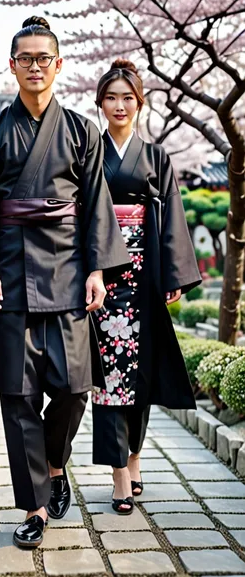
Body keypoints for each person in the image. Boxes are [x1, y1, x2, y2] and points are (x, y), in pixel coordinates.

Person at [0, 17, 130, 548]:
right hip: (9, 272)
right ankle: (33, 505)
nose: (34, 66)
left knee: (76, 389)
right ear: (12, 66)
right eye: (24, 59)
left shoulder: (82, 131)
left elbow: (97, 204)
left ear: (59, 64)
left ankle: (54, 462)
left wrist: (99, 269)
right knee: (18, 395)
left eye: (43, 58)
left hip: (71, 271)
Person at [91, 58, 201, 515]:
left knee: (140, 375)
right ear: (99, 103)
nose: (120, 106)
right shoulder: (88, 153)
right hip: (101, 274)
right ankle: (119, 473)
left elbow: (172, 214)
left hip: (143, 274)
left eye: (128, 99)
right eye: (111, 98)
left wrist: (174, 274)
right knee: (107, 377)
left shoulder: (156, 157)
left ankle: (135, 461)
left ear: (139, 103)